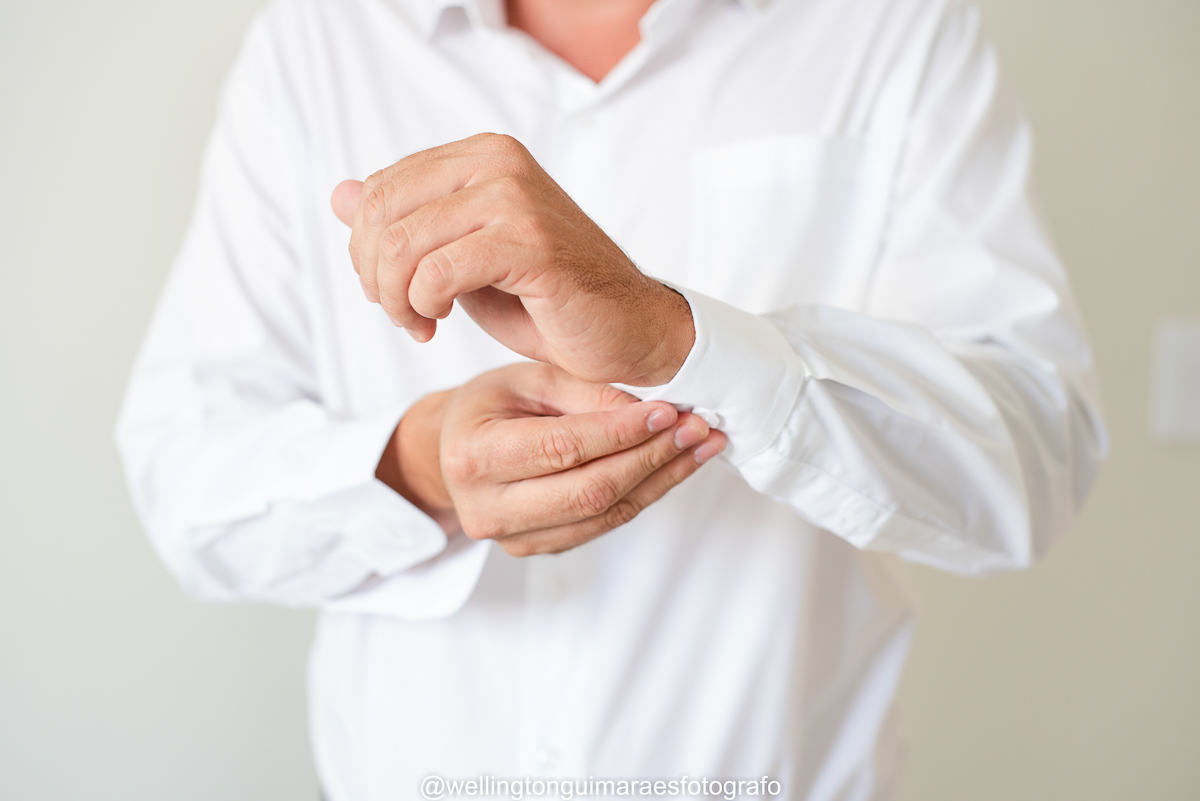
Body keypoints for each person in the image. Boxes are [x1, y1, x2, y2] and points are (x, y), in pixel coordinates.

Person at [115, 0, 1107, 797]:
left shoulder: (892, 28)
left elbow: (1033, 462)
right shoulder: (315, 43)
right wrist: (422, 472)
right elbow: (185, 480)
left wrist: (682, 337)